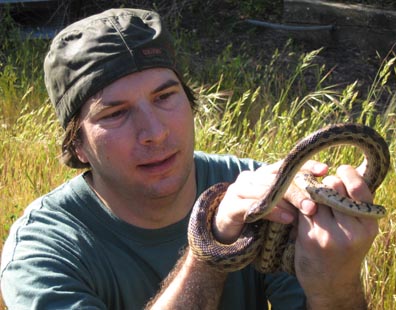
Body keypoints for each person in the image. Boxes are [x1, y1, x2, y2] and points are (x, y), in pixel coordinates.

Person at [0, 8, 378, 309]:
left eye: (165, 97)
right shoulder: (43, 251)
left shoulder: (256, 191)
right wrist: (210, 247)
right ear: (78, 145)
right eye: (114, 113)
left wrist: (333, 287)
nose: (155, 132)